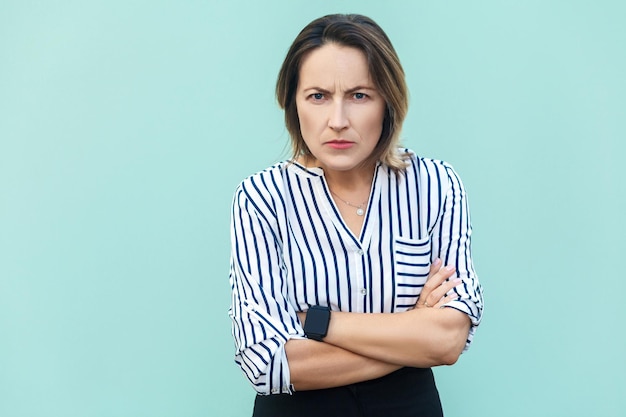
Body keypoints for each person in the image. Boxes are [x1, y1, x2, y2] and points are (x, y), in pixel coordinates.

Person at [228, 13, 483, 417]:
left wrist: (320, 322)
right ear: (294, 104)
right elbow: (267, 362)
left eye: (360, 95)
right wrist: (413, 329)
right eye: (318, 96)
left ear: (388, 102)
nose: (338, 121)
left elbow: (450, 338)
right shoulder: (263, 198)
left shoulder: (435, 185)